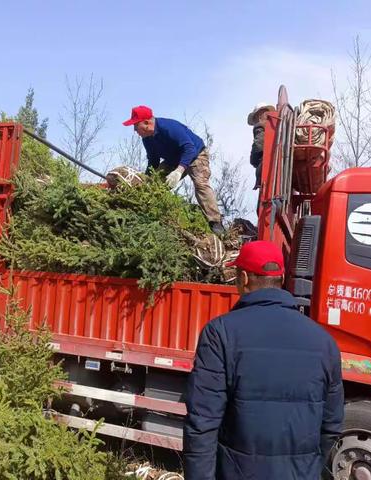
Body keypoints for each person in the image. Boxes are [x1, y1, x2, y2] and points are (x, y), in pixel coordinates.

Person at [183, 240, 344, 480]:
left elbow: (203, 423)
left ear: (245, 278)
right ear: (280, 279)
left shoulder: (221, 332)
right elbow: (331, 425)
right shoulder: (324, 341)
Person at [123, 105, 224, 235]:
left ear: (147, 123)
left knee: (200, 183)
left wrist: (179, 171)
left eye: (136, 126)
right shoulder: (147, 139)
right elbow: (153, 161)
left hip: (195, 154)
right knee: (155, 184)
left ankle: (215, 222)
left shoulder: (169, 128)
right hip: (173, 159)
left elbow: (189, 149)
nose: (135, 130)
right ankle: (150, 212)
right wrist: (146, 181)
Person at [247, 103, 275, 190]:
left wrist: (253, 159)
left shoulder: (260, 127)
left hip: (266, 167)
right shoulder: (274, 127)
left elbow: (258, 147)